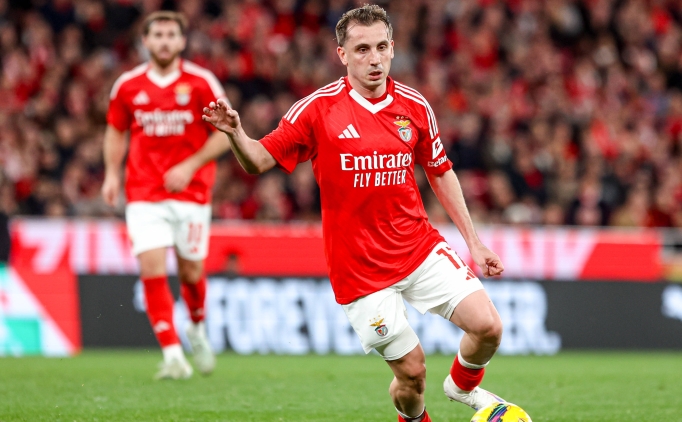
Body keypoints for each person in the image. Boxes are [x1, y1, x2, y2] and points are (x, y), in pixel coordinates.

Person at [203, 5, 506, 420]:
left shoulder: (415, 106)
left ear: (393, 48)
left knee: (489, 327)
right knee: (412, 376)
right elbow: (257, 161)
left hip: (417, 247)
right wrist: (237, 133)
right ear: (342, 55)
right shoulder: (317, 109)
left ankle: (461, 386)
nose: (374, 58)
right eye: (362, 49)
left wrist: (475, 243)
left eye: (381, 47)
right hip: (360, 270)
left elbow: (440, 171)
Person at [102, 11, 230, 380]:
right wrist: (111, 173)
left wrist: (190, 166)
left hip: (192, 192)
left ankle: (196, 325)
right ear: (145, 41)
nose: (164, 41)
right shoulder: (127, 85)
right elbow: (115, 131)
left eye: (171, 35)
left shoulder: (201, 82)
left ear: (182, 42)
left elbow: (225, 134)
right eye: (157, 35)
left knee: (191, 272)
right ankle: (173, 355)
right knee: (151, 267)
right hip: (144, 192)